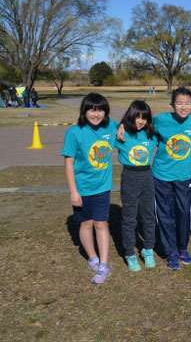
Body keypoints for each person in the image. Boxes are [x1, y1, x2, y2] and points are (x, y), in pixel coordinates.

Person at [118, 87, 191, 270]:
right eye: (179, 103)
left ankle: (182, 248)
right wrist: (121, 125)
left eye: (187, 103)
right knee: (165, 215)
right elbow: (139, 121)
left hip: (184, 177)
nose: (183, 107)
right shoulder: (161, 120)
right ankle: (171, 252)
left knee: (184, 214)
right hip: (161, 176)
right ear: (173, 104)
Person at [62, 93, 118, 283]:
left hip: (102, 186)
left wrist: (124, 126)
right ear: (84, 111)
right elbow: (69, 163)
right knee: (86, 223)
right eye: (92, 110)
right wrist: (73, 191)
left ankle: (104, 265)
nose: (96, 114)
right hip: (82, 188)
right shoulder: (74, 132)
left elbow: (125, 124)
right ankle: (92, 258)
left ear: (106, 112)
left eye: (100, 110)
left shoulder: (110, 126)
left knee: (101, 223)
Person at [115, 101, 158, 271]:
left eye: (144, 118)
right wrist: (120, 124)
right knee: (129, 218)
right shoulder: (121, 134)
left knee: (148, 216)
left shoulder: (152, 135)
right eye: (137, 117)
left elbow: (168, 123)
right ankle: (129, 254)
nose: (140, 121)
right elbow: (105, 124)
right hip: (129, 177)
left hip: (147, 176)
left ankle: (148, 250)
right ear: (130, 116)